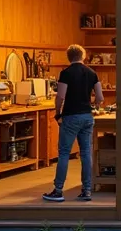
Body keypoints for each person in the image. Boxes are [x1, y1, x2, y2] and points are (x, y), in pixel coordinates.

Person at [43, 44, 104, 202]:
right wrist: (95, 106)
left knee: (64, 153)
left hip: (70, 116)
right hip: (87, 116)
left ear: (69, 57)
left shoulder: (66, 73)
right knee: (86, 153)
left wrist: (58, 112)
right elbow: (100, 97)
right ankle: (87, 190)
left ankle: (58, 190)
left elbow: (60, 96)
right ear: (83, 56)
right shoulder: (92, 73)